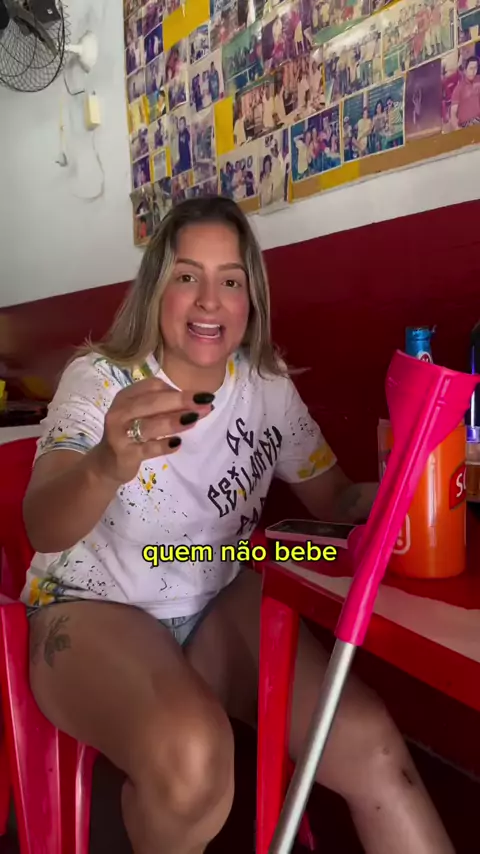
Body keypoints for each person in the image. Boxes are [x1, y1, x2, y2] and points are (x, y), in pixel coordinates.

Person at [23, 197, 455, 854]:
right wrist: (107, 463)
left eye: (230, 279)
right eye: (187, 275)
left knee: (371, 745)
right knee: (194, 761)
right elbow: (43, 524)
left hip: (213, 603)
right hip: (89, 610)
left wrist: (418, 488)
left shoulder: (266, 388)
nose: (209, 300)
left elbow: (337, 499)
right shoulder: (102, 380)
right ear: (156, 288)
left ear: (250, 297)